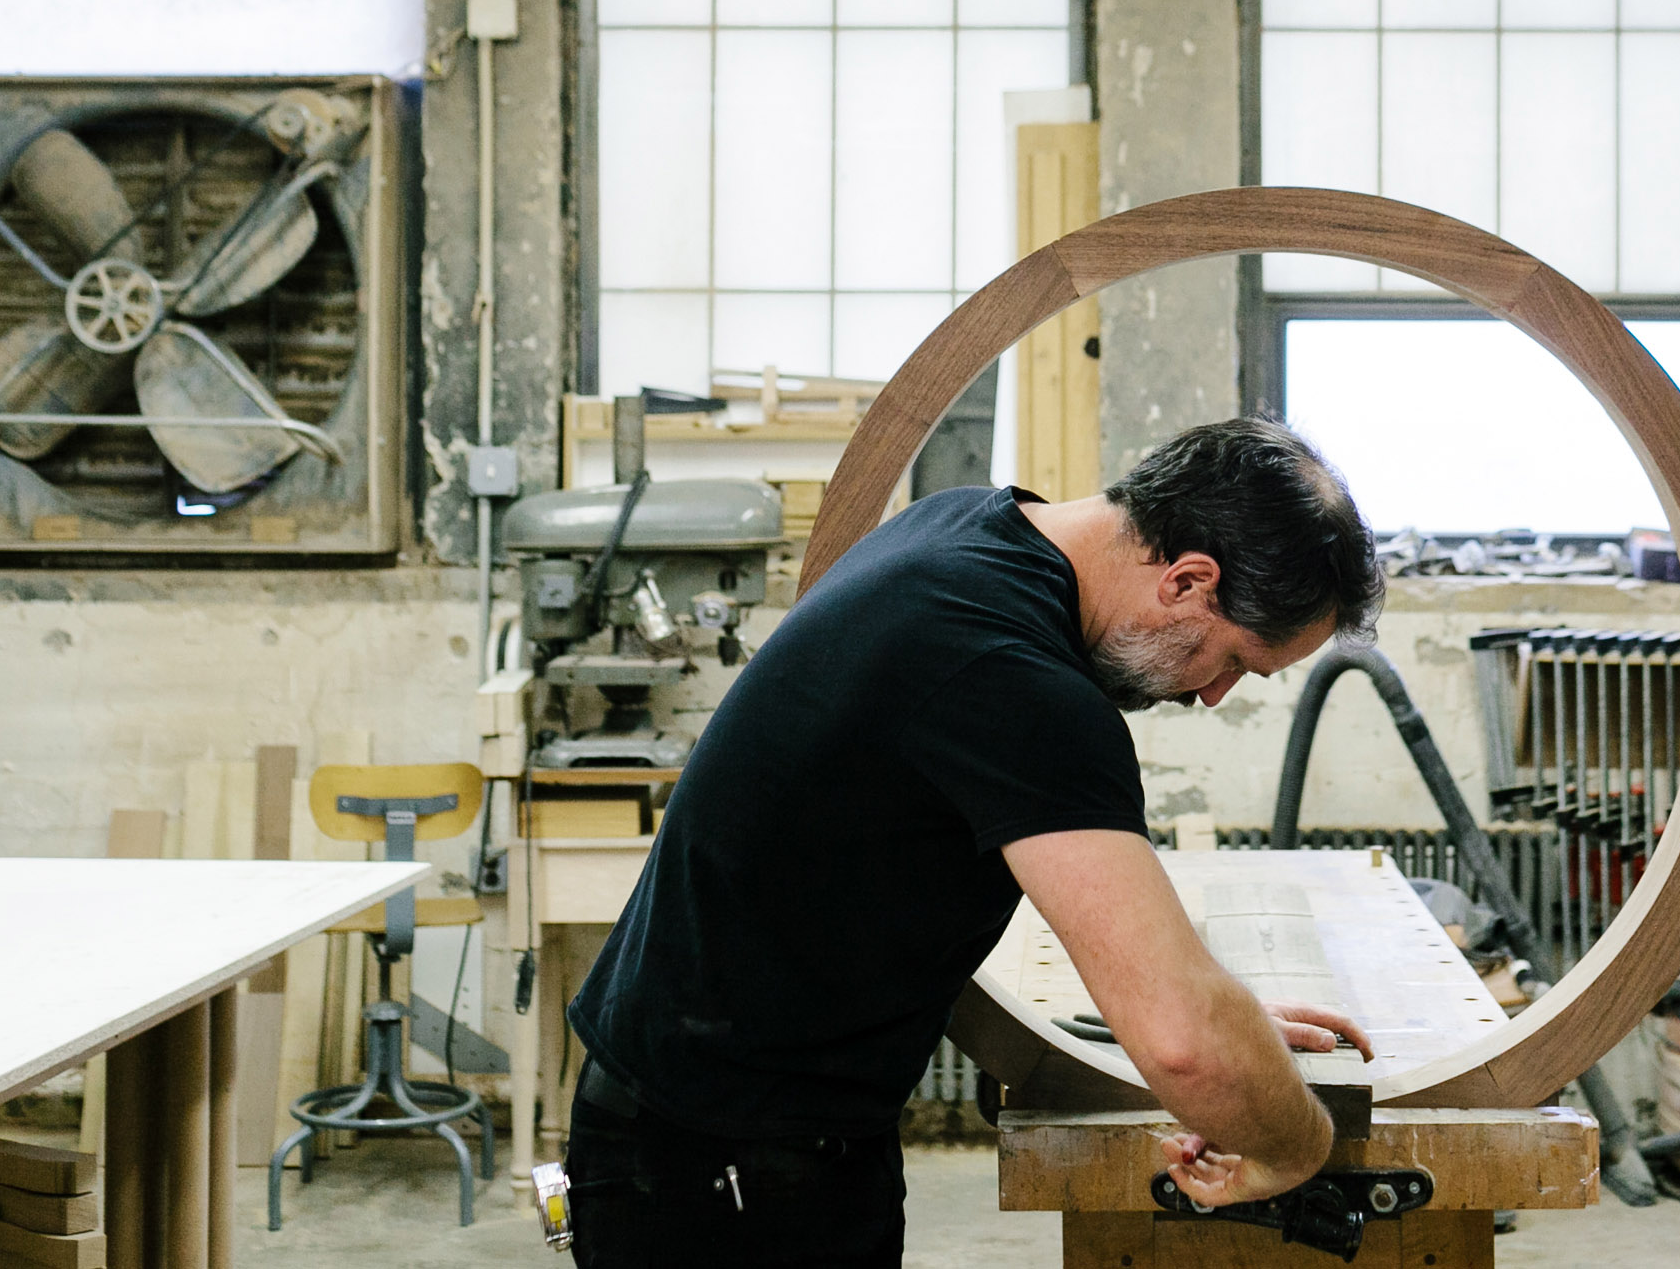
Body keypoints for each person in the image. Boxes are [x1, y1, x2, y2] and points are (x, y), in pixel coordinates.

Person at [563, 416, 1389, 1268]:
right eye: (1234, 662)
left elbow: (1151, 977)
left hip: (717, 1130)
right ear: (1187, 581)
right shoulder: (1013, 674)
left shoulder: (961, 527)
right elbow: (1181, 1043)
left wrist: (1234, 1032)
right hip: (720, 1172)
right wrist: (1295, 1147)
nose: (1213, 695)